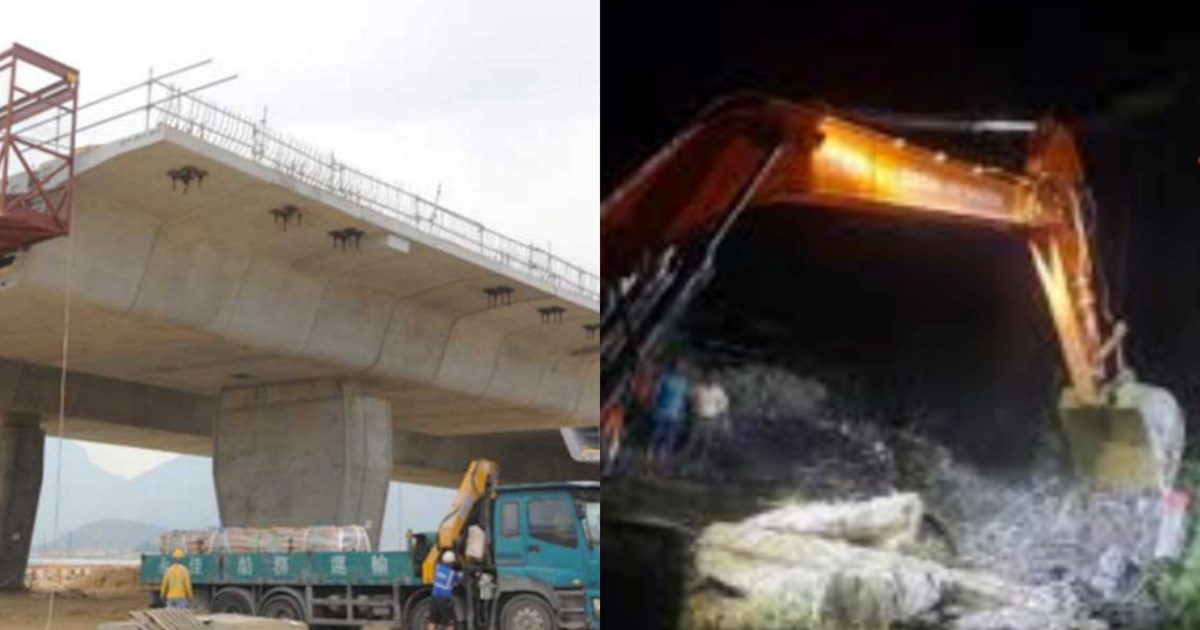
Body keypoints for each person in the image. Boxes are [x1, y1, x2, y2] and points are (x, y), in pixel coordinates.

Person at [649, 358, 689, 473]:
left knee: (669, 441)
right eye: (677, 366)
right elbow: (655, 393)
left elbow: (683, 399)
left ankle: (662, 465)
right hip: (661, 412)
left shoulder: (684, 382)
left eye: (681, 366)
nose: (679, 368)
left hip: (675, 416)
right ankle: (651, 462)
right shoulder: (664, 378)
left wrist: (682, 412)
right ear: (673, 366)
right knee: (656, 439)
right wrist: (653, 407)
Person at [685, 372, 731, 473]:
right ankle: (683, 464)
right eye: (710, 378)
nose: (711, 380)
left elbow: (724, 406)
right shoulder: (698, 388)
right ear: (706, 378)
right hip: (698, 418)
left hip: (711, 420)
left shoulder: (719, 391)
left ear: (716, 380)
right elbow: (689, 398)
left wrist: (724, 420)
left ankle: (700, 465)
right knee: (691, 441)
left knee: (706, 443)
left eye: (714, 378)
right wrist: (691, 410)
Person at [428, 550, 461, 630]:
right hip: (444, 600)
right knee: (449, 624)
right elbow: (456, 583)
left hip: (434, 598)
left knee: (433, 621)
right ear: (452, 562)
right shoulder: (452, 573)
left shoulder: (437, 568)